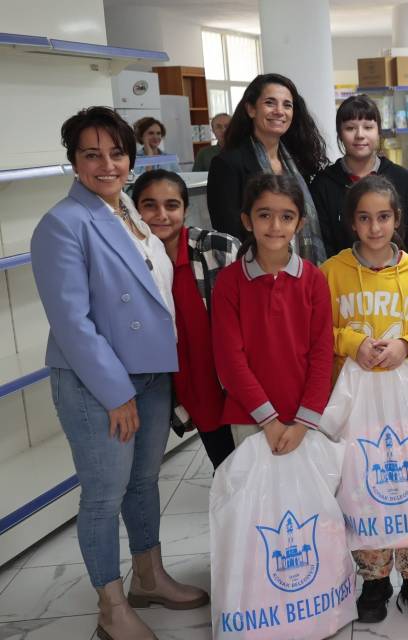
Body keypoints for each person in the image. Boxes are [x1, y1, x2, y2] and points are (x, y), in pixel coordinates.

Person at [31, 107, 207, 640]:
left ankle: (148, 576)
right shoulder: (62, 224)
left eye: (116, 153)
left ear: (131, 158)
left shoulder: (126, 208)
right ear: (73, 161)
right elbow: (72, 323)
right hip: (98, 383)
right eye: (92, 154)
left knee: (144, 483)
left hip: (150, 373)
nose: (106, 164)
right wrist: (114, 393)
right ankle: (111, 604)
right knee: (104, 494)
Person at [321, 175, 408, 623]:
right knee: (363, 487)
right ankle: (373, 578)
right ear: (350, 222)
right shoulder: (332, 273)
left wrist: (406, 344)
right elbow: (317, 330)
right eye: (364, 218)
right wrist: (349, 342)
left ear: (397, 220)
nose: (375, 227)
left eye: (383, 217)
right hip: (355, 411)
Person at [211, 173, 333, 450]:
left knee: (306, 492)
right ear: (247, 220)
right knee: (254, 493)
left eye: (287, 217)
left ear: (300, 223)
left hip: (306, 416)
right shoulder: (230, 282)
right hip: (248, 415)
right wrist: (269, 420)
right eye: (264, 215)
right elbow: (230, 361)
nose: (276, 226)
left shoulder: (314, 279)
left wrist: (304, 420)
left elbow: (322, 353)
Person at [133, 170, 240, 470]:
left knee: (260, 478)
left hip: (239, 391)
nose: (161, 215)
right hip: (195, 395)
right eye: (150, 205)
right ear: (135, 210)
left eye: (171, 205)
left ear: (185, 208)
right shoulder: (132, 264)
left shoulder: (218, 250)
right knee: (228, 477)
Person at [207, 73, 328, 265]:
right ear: (251, 109)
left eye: (287, 105)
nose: (279, 111)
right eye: (270, 103)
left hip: (303, 272)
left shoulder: (299, 162)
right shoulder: (227, 163)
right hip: (255, 272)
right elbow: (228, 233)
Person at [310, 94, 408, 257]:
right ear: (340, 134)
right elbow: (321, 245)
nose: (359, 135)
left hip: (396, 276)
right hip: (341, 278)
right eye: (350, 128)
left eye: (368, 127)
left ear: (378, 132)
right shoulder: (324, 184)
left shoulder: (401, 179)